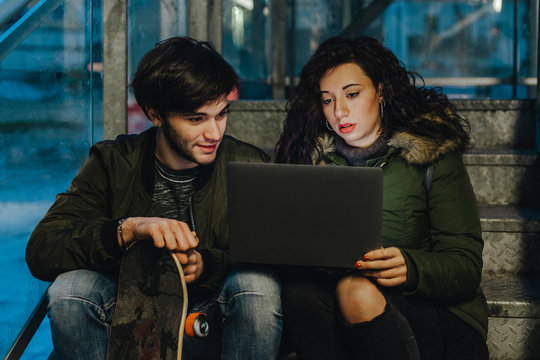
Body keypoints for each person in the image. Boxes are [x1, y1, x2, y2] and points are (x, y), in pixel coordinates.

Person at [26, 36, 282, 360]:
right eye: (196, 119)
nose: (214, 133)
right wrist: (127, 230)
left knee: (258, 287)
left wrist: (206, 264)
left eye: (221, 114)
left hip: (209, 321)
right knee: (70, 291)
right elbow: (42, 249)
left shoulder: (248, 165)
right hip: (130, 319)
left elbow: (276, 255)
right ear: (156, 114)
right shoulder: (113, 163)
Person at [275, 36, 489, 359]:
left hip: (437, 314)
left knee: (356, 291)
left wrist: (411, 267)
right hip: (346, 309)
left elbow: (466, 265)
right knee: (299, 295)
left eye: (352, 94)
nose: (339, 111)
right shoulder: (314, 161)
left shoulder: (430, 153)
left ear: (381, 91)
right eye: (328, 100)